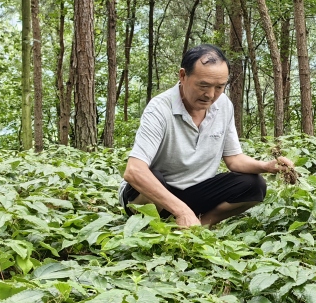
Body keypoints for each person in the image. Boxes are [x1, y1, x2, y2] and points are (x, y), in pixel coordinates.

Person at [119, 44, 295, 227]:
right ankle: (158, 226)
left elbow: (234, 159)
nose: (210, 95)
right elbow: (134, 171)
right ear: (183, 76)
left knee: (254, 185)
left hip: (194, 192)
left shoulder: (224, 106)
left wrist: (267, 166)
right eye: (203, 85)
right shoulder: (160, 108)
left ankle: (199, 227)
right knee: (153, 177)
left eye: (219, 87)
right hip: (154, 195)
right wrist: (182, 210)